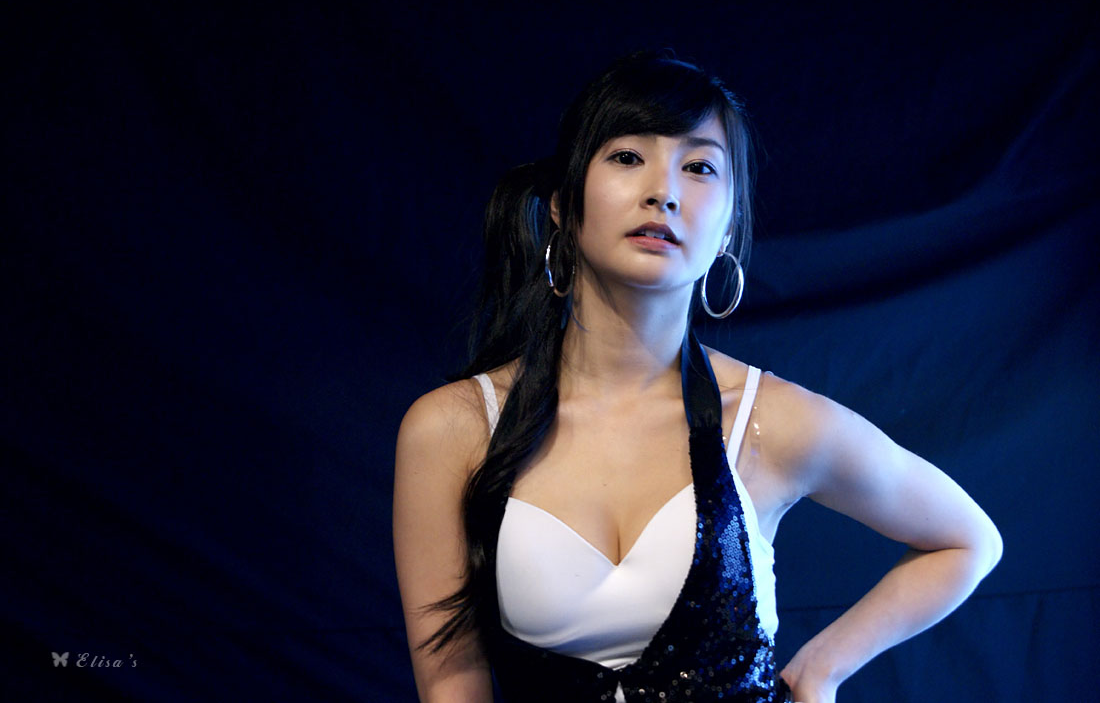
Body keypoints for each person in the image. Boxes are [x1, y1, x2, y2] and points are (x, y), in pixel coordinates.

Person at [392, 50, 1002, 703]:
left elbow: (968, 541)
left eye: (700, 167)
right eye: (628, 156)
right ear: (563, 206)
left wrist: (821, 669)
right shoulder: (456, 429)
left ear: (729, 225)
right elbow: (451, 683)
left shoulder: (766, 421)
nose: (664, 191)